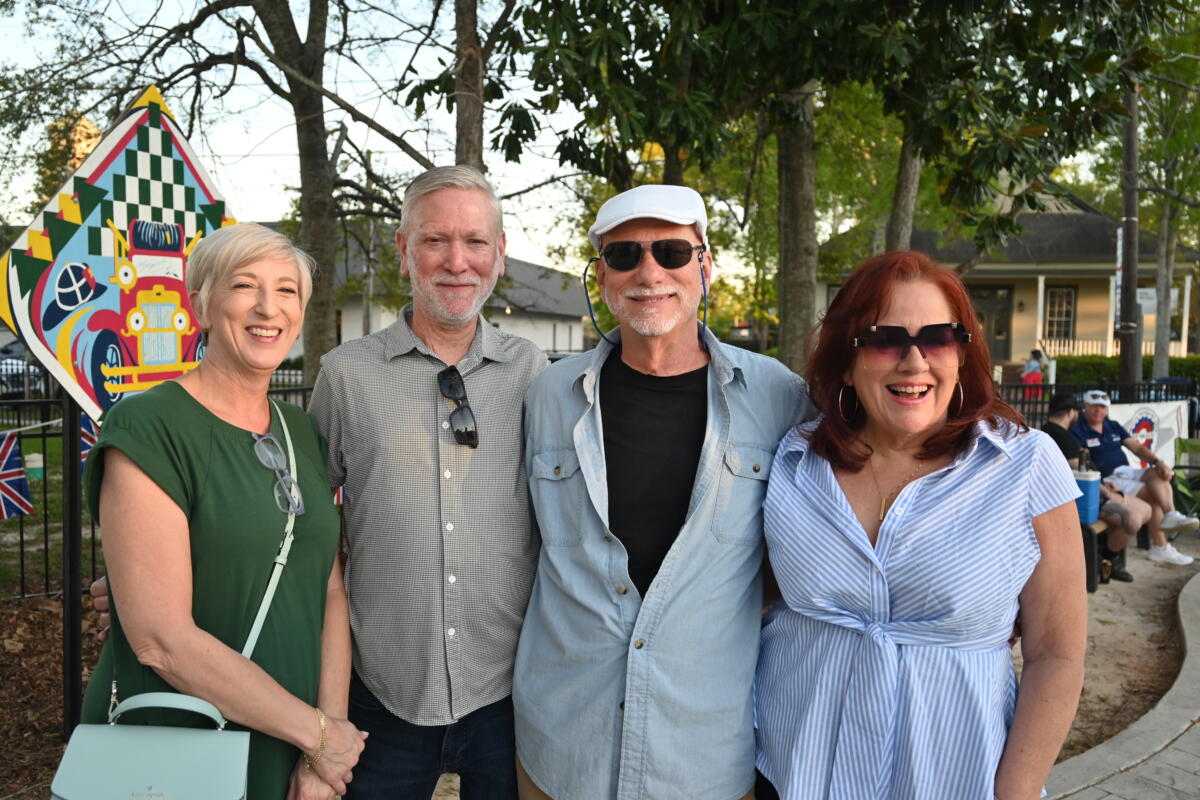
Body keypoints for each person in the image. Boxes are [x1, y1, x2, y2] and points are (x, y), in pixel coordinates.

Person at [514, 184, 812, 799]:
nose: (649, 273)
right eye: (625, 255)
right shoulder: (548, 397)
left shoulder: (779, 398)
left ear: (705, 267)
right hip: (563, 745)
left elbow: (809, 546)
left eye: (672, 252)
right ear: (602, 276)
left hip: (702, 751)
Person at [755, 251, 1086, 800]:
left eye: (938, 338)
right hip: (793, 771)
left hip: (955, 778)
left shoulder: (1025, 465)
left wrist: (1017, 790)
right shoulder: (792, 460)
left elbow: (1057, 653)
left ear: (962, 354)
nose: (914, 362)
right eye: (884, 340)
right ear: (846, 360)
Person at [81, 223, 366, 800]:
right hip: (179, 740)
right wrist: (316, 734)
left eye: (287, 290)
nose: (268, 307)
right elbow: (160, 639)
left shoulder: (300, 430)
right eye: (244, 285)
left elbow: (330, 589)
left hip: (293, 744)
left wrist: (326, 743)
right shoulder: (148, 426)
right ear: (201, 306)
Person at [308, 165, 547, 797]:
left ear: (499, 252)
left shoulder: (532, 372)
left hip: (508, 692)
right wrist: (176, 572)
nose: (456, 261)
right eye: (435, 240)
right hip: (382, 694)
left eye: (475, 241)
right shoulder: (346, 374)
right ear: (404, 249)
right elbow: (294, 516)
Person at [1070, 389, 1197, 566]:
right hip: (1108, 480)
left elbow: (1137, 448)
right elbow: (1077, 464)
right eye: (1094, 406)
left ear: (1107, 409)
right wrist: (1101, 484)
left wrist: (1158, 462)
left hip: (1126, 472)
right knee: (1153, 495)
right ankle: (1161, 546)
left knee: (1158, 474)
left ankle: (1170, 514)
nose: (1098, 410)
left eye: (1102, 407)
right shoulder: (1077, 430)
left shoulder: (1112, 425)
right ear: (1085, 406)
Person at [1042, 391, 1139, 582]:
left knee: (1138, 513)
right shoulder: (1063, 437)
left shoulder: (1044, 433)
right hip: (1084, 502)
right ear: (1071, 412)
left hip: (1074, 499)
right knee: (1131, 518)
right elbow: (1081, 472)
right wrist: (1107, 492)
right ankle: (1105, 561)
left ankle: (1105, 560)